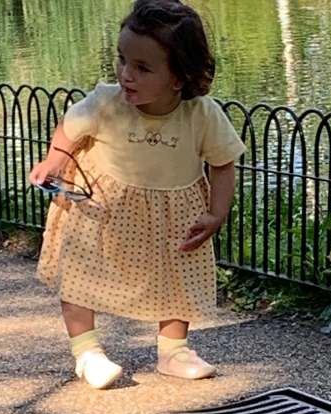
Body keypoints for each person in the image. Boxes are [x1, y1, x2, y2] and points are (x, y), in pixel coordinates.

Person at [29, 0, 246, 389]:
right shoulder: (106, 101)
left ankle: (174, 350)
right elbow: (70, 128)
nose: (126, 74)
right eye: (123, 60)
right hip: (101, 209)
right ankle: (87, 352)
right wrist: (54, 159)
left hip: (174, 212)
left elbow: (223, 164)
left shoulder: (201, 114)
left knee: (180, 275)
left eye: (142, 68)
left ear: (179, 77)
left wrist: (216, 213)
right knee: (81, 275)